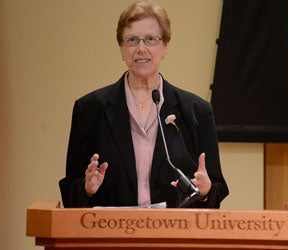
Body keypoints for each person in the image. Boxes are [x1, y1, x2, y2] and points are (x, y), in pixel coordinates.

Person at [59, 1, 228, 208]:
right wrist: (85, 188)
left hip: (174, 235)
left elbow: (217, 188)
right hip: (111, 234)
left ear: (165, 46)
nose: (141, 49)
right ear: (121, 49)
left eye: (150, 39)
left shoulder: (197, 111)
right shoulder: (90, 109)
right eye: (131, 40)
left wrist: (206, 191)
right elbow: (70, 189)